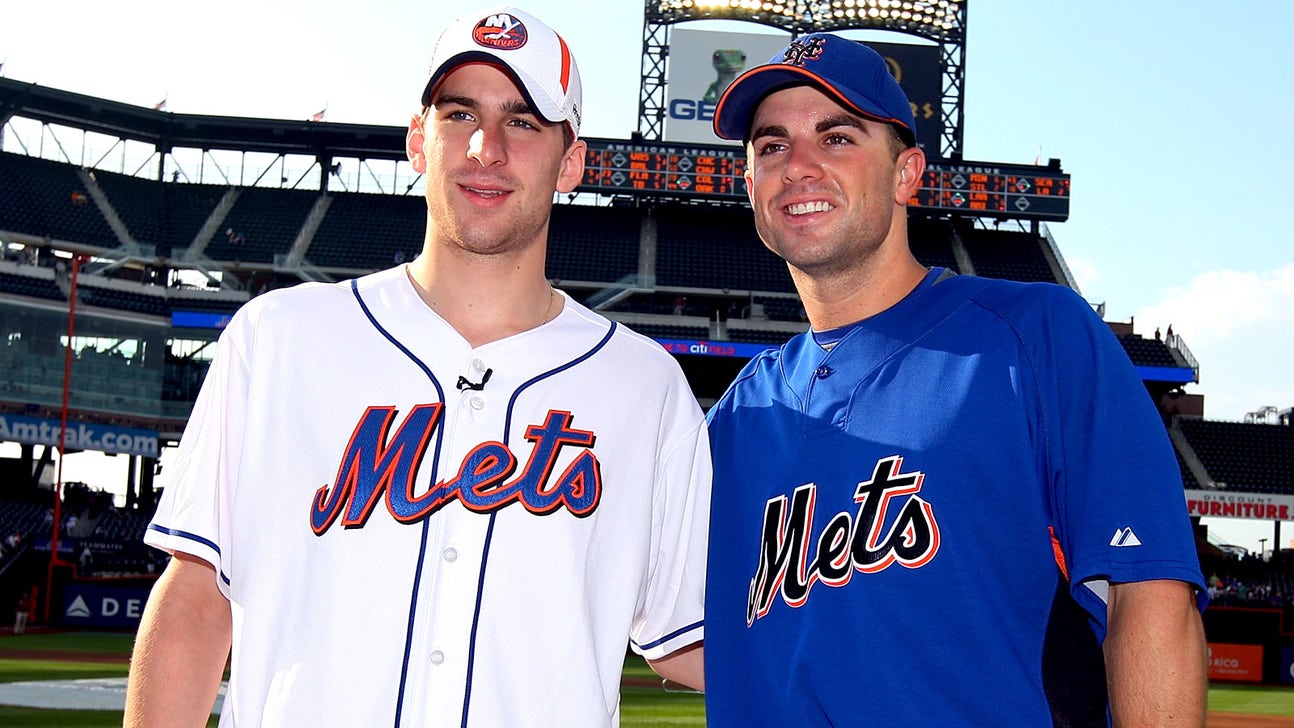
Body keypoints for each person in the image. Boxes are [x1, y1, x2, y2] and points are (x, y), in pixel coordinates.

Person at [125, 8, 708, 726]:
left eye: (523, 122)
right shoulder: (277, 341)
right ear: (417, 140)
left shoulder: (644, 388)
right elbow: (193, 601)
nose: (485, 146)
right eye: (459, 112)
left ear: (573, 162)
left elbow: (689, 639)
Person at [701, 33, 1207, 726]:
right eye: (771, 146)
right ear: (750, 184)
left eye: (838, 137)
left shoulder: (1033, 335)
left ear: (907, 173)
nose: (799, 166)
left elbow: (1148, 594)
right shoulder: (732, 421)